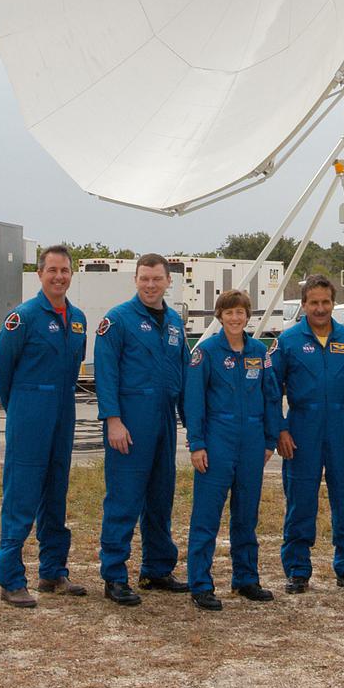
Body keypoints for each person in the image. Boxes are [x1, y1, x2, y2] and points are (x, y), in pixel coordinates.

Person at [0, 245, 88, 607]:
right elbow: (2, 369)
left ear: (71, 274)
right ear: (40, 274)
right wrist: (19, 408)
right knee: (22, 495)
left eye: (64, 271)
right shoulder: (24, 317)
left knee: (55, 492)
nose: (59, 277)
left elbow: (76, 363)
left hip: (64, 411)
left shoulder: (77, 319)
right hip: (30, 412)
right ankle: (11, 578)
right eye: (52, 271)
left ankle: (52, 570)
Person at [94, 252, 190, 605]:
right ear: (135, 280)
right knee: (124, 498)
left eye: (157, 279)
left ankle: (157, 568)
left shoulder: (176, 323)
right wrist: (113, 420)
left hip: (164, 419)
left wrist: (190, 422)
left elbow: (184, 375)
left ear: (168, 281)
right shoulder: (117, 320)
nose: (151, 285)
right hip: (131, 422)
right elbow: (105, 373)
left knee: (160, 496)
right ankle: (114, 575)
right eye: (144, 279)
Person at [271, 275, 344, 593]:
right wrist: (280, 429)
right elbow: (271, 389)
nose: (320, 308)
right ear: (303, 305)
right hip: (302, 428)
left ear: (333, 303)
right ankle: (298, 569)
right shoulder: (287, 342)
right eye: (313, 302)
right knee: (301, 501)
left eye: (325, 302)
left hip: (341, 428)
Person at [184, 289, 281, 610]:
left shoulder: (259, 351)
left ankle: (246, 578)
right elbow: (194, 401)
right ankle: (200, 583)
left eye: (241, 312)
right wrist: (197, 444)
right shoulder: (206, 352)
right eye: (229, 312)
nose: (236, 318)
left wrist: (270, 439)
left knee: (246, 515)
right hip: (217, 441)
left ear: (247, 315)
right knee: (207, 516)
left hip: (252, 441)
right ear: (220, 316)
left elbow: (271, 395)